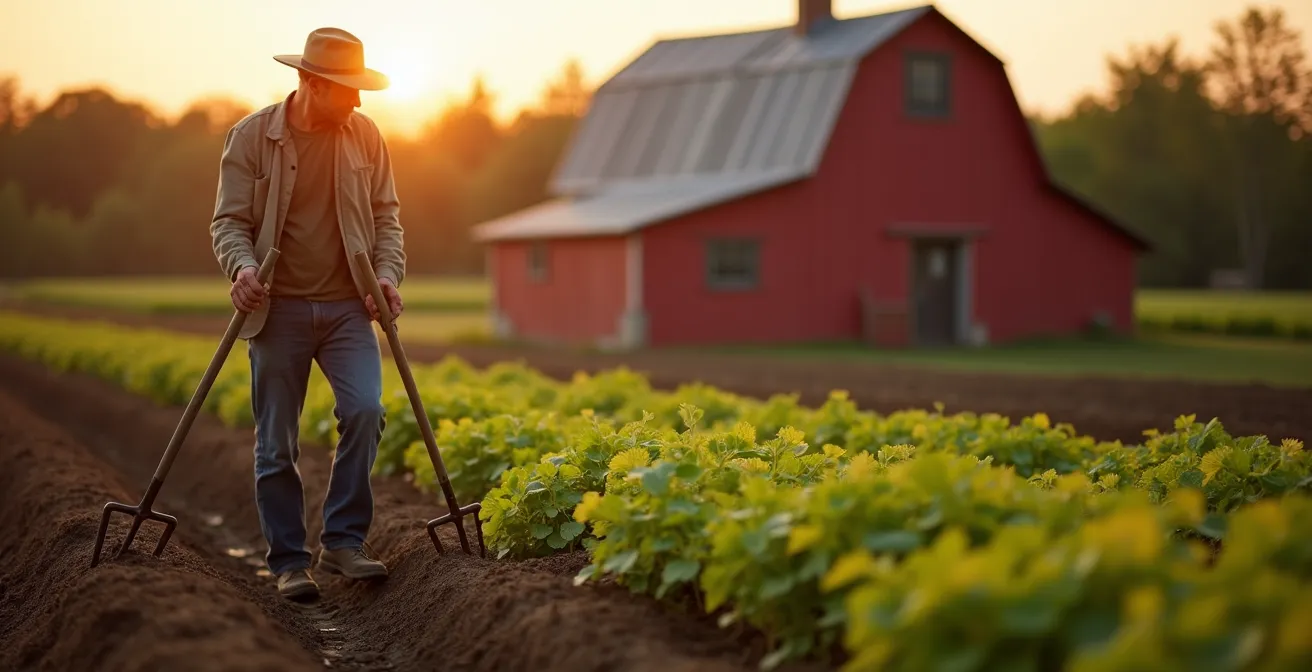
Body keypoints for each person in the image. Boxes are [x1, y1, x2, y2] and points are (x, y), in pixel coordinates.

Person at [209, 27, 406, 601]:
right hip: (278, 309)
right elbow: (228, 224)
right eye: (346, 89)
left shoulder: (365, 136)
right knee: (277, 443)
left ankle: (343, 540)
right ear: (309, 82)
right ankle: (290, 561)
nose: (357, 101)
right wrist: (242, 269)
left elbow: (387, 218)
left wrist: (388, 276)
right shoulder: (251, 137)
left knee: (367, 411)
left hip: (349, 306)